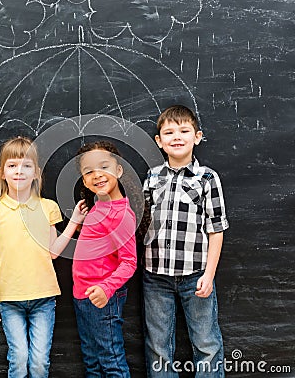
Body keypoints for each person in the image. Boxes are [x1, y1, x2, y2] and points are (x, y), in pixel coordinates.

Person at [0, 136, 87, 378]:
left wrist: (74, 223)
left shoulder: (48, 207)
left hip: (44, 298)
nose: (19, 171)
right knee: (19, 360)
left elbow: (52, 251)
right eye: (12, 165)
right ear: (2, 173)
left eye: (26, 166)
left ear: (36, 173)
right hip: (9, 299)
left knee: (39, 363)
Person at [142, 105, 229, 377]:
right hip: (155, 276)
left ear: (197, 136)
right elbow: (141, 224)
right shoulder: (151, 178)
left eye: (184, 130)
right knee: (158, 345)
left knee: (206, 343)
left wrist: (209, 274)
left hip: (196, 275)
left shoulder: (207, 178)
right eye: (168, 132)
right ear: (159, 141)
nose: (176, 137)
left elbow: (216, 229)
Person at [72, 140, 137, 377]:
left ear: (118, 170)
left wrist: (105, 288)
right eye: (88, 171)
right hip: (83, 295)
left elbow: (129, 262)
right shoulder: (99, 207)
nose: (96, 175)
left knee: (111, 361)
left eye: (104, 167)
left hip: (103, 297)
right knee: (92, 361)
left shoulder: (121, 214)